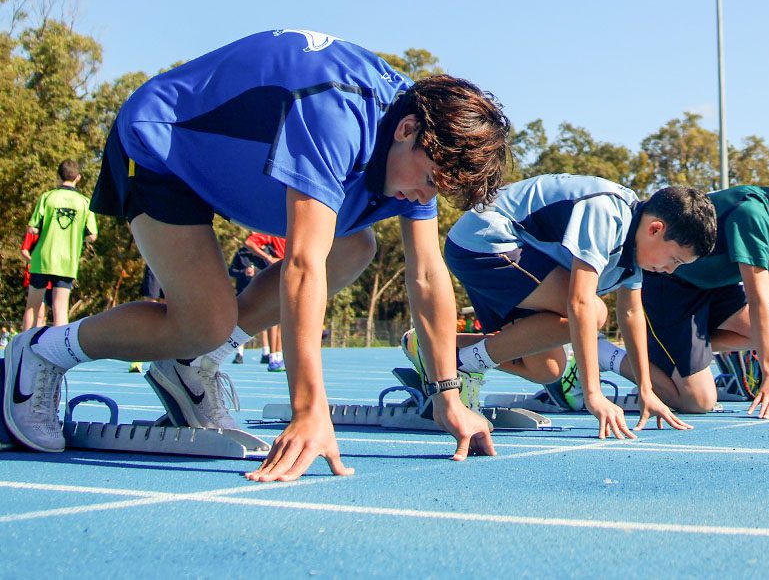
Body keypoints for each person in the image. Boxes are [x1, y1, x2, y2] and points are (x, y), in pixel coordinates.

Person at [4, 29, 510, 483]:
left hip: (237, 170)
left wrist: (447, 394)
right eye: (427, 182)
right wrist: (309, 410)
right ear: (406, 130)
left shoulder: (420, 137)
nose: (425, 198)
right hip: (161, 147)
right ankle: (44, 349)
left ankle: (195, 362)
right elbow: (303, 264)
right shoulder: (336, 112)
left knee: (355, 245)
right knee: (204, 320)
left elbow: (426, 274)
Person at [412, 174, 716, 439]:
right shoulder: (607, 211)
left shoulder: (636, 256)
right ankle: (461, 366)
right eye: (674, 260)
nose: (671, 270)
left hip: (512, 254)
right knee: (595, 312)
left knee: (547, 368)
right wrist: (593, 395)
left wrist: (647, 391)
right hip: (485, 241)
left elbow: (632, 313)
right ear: (655, 229)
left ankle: (433, 349)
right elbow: (579, 302)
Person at [637, 160, 769, 418]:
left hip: (713, 291)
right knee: (697, 401)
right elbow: (759, 299)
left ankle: (675, 350)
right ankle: (612, 355)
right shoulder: (752, 213)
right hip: (669, 283)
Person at [20, 160, 97, 331]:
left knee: (32, 306)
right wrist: (76, 235)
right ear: (78, 177)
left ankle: (24, 349)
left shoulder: (47, 197)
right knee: (60, 308)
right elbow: (92, 235)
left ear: (59, 175)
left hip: (42, 259)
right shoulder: (84, 202)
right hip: (67, 261)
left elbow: (32, 227)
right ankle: (57, 354)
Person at [242, 232, 287, 370]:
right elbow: (249, 242)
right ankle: (273, 357)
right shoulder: (277, 229)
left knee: (283, 318)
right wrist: (269, 258)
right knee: (276, 318)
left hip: (292, 271)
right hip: (280, 270)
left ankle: (278, 356)